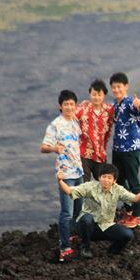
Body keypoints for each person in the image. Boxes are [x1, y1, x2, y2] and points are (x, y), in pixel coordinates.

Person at [56, 163, 140, 258]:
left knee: (128, 235)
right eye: (104, 176)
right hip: (88, 227)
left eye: (109, 178)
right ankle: (85, 247)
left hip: (106, 226)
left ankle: (114, 251)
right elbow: (69, 191)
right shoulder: (90, 187)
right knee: (86, 218)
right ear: (99, 177)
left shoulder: (118, 190)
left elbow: (135, 199)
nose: (106, 180)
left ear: (114, 180)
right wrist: (60, 181)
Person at [40, 90, 84, 262]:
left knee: (78, 210)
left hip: (78, 171)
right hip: (65, 174)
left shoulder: (75, 121)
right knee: (67, 212)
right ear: (60, 106)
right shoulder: (55, 125)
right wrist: (54, 149)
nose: (69, 107)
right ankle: (64, 248)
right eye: (66, 104)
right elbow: (43, 147)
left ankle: (72, 236)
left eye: (72, 104)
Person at [109, 72, 140, 228]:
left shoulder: (129, 102)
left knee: (133, 182)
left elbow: (139, 109)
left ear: (126, 87)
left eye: (119, 87)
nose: (116, 90)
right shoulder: (115, 104)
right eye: (114, 87)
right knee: (118, 182)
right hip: (118, 149)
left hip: (130, 150)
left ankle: (137, 215)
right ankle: (129, 209)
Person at [75, 79, 115, 183]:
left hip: (100, 154)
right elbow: (70, 117)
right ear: (90, 94)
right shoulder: (83, 108)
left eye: (99, 95)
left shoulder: (109, 110)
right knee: (84, 183)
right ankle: (81, 200)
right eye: (94, 94)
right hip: (84, 153)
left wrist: (138, 127)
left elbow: (122, 120)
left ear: (104, 96)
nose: (96, 97)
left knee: (104, 183)